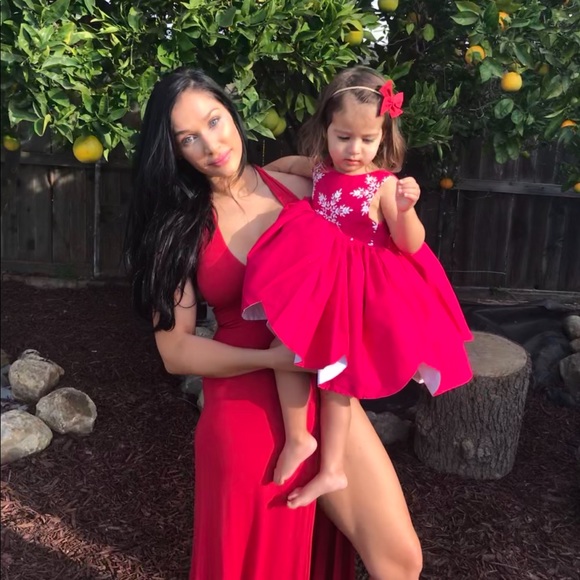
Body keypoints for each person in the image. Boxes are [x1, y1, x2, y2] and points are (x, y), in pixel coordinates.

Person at [125, 66, 423, 580]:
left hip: (327, 394)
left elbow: (374, 243)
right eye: (188, 138)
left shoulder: (301, 183)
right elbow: (176, 352)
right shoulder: (175, 231)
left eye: (214, 121)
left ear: (231, 113)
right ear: (172, 150)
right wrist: (273, 357)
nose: (211, 146)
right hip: (248, 411)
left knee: (400, 559)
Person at [242, 66, 473, 509]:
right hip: (318, 283)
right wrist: (253, 180)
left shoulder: (383, 184)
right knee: (283, 346)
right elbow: (285, 166)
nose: (354, 149)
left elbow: (410, 243)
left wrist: (405, 208)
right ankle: (299, 437)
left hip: (359, 291)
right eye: (343, 136)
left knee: (336, 377)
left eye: (368, 139)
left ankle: (332, 469)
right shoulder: (319, 169)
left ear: (383, 137)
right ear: (325, 130)